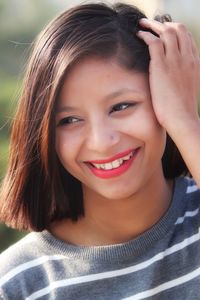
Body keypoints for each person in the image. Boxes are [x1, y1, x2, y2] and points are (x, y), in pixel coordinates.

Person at [0, 1, 200, 299]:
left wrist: (184, 119)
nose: (101, 141)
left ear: (165, 97)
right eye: (69, 120)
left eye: (121, 106)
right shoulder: (19, 283)